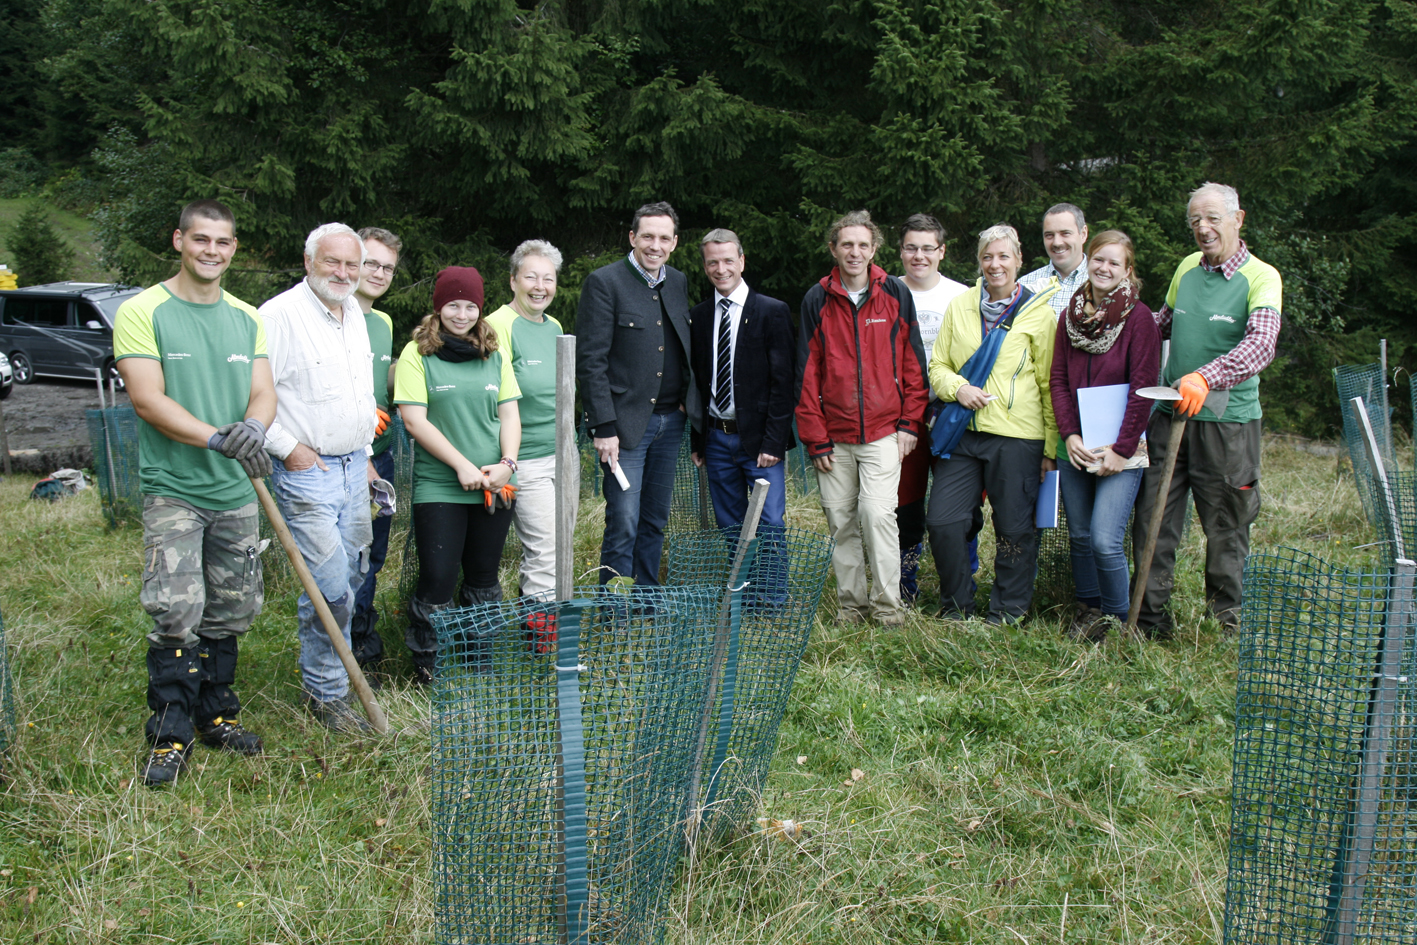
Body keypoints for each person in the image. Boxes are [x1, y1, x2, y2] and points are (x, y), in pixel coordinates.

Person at [114, 198, 276, 786]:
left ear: (234, 249)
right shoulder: (143, 311)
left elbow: (263, 391)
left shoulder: (246, 317)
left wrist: (254, 426)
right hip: (175, 489)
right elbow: (147, 398)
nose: (212, 250)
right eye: (201, 239)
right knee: (176, 610)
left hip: (236, 491)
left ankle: (216, 714)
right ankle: (170, 733)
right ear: (179, 240)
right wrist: (215, 438)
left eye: (223, 241)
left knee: (232, 608)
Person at [1132, 182, 1282, 638]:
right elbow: (1160, 325)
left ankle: (1225, 625)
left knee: (1227, 524)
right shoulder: (1187, 268)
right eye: (1195, 220)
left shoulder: (1261, 277)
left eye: (1213, 218)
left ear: (1238, 219)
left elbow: (1261, 344)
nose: (1203, 228)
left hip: (1228, 425)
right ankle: (1150, 620)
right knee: (1154, 517)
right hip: (1171, 417)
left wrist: (1206, 376)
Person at [260, 222, 378, 732]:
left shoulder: (354, 314)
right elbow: (252, 395)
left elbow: (359, 393)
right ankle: (329, 695)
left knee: (351, 577)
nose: (343, 273)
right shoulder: (278, 316)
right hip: (310, 472)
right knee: (329, 588)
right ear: (309, 262)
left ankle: (334, 676)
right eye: (333, 262)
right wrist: (289, 450)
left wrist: (366, 454)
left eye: (352, 264)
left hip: (352, 465)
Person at [796, 210, 926, 626]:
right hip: (833, 437)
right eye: (847, 244)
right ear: (833, 249)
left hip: (884, 431)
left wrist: (910, 423)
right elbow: (806, 373)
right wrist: (815, 438)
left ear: (874, 250)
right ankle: (851, 606)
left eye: (863, 245)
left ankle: (888, 609)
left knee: (877, 515)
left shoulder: (894, 293)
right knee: (840, 521)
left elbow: (913, 363)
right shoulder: (817, 299)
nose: (855, 252)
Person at [926, 224, 1059, 624]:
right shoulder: (960, 305)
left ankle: (1008, 611)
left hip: (1018, 437)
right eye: (987, 256)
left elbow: (1049, 383)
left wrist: (1050, 449)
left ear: (1019, 260)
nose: (995, 264)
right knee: (943, 521)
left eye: (1003, 256)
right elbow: (938, 366)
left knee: (1014, 527)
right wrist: (959, 388)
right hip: (963, 434)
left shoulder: (1039, 314)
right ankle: (956, 606)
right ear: (979, 262)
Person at [396, 267, 521, 681]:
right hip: (440, 486)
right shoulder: (417, 354)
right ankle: (429, 664)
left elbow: (509, 415)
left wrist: (507, 463)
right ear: (439, 307)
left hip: (493, 486)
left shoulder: (494, 354)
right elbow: (414, 420)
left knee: (483, 576)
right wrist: (461, 465)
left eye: (470, 306)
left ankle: (476, 657)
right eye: (453, 305)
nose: (462, 314)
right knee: (438, 577)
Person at [1049, 230, 1161, 639]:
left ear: (1127, 271)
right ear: (1088, 261)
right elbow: (1059, 380)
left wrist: (1122, 450)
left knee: (1103, 539)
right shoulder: (1071, 316)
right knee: (1079, 536)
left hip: (1121, 449)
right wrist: (1069, 434)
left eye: (1115, 262)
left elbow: (1144, 389)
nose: (1104, 268)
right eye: (1098, 259)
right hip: (1077, 445)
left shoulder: (1140, 319)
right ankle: (1089, 610)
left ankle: (1117, 621)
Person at [576, 201, 692, 586]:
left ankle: (645, 602)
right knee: (624, 521)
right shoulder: (604, 283)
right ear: (632, 237)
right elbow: (591, 361)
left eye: (664, 238)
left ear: (674, 242)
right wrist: (603, 426)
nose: (655, 246)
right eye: (647, 236)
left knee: (655, 520)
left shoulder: (677, 282)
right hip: (624, 429)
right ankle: (615, 609)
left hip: (670, 423)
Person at [688, 228, 796, 604]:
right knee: (730, 523)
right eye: (712, 262)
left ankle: (772, 600)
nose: (721, 269)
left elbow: (784, 383)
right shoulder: (699, 316)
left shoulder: (771, 311)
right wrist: (699, 440)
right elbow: (699, 382)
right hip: (717, 439)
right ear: (705, 266)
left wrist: (774, 442)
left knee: (769, 522)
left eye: (728, 261)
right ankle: (743, 597)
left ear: (742, 261)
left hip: (760, 441)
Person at [486, 241, 577, 638]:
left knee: (564, 539)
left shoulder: (553, 326)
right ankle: (541, 636)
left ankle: (547, 618)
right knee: (545, 547)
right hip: (525, 457)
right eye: (531, 277)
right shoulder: (497, 326)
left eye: (548, 279)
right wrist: (506, 461)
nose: (540, 287)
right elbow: (493, 397)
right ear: (513, 281)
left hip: (564, 452)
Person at [894, 214, 969, 604]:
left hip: (950, 413)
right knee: (904, 502)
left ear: (942, 251)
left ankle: (960, 581)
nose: (919, 256)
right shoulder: (887, 291)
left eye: (927, 248)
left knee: (959, 504)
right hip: (900, 415)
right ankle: (905, 581)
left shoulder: (962, 296)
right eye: (911, 248)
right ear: (901, 251)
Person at [349, 226, 401, 680]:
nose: (380, 273)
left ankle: (364, 640)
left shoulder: (382, 323)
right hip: (344, 461)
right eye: (372, 263)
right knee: (348, 558)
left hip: (380, 458)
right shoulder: (335, 314)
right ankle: (343, 653)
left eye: (388, 267)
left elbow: (384, 380)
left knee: (373, 555)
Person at [1020, 203, 1090, 319]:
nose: (1057, 242)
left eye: (1065, 233)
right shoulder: (1025, 285)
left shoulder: (1103, 282)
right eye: (1049, 235)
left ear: (1083, 234)